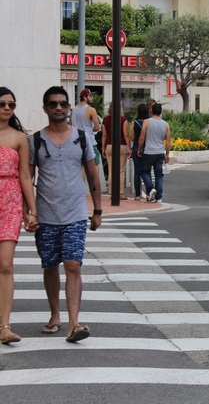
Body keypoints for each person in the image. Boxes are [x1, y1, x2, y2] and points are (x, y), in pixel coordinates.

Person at [29, 85, 102, 342]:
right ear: (45, 108)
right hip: (46, 215)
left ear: (69, 107)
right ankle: (54, 314)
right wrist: (31, 212)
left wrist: (97, 210)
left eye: (62, 103)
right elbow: (27, 179)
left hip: (75, 214)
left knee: (73, 265)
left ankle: (73, 323)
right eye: (53, 104)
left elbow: (93, 174)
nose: (58, 108)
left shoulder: (81, 138)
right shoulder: (35, 140)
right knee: (50, 266)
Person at [0, 87, 38, 345]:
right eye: (2, 103)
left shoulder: (19, 137)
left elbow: (25, 175)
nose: (6, 108)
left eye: (11, 105)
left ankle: (4, 326)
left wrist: (31, 210)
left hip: (10, 200)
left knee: (5, 265)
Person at [138, 103, 171, 203]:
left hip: (149, 151)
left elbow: (142, 137)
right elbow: (168, 141)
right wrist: (167, 154)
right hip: (160, 152)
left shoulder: (147, 122)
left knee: (144, 171)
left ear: (151, 111)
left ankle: (150, 188)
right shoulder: (165, 124)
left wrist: (139, 148)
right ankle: (159, 196)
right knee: (158, 175)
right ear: (161, 112)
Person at [101, 101, 130, 200]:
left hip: (109, 145)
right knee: (121, 170)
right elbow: (126, 135)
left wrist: (103, 148)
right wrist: (129, 147)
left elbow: (104, 135)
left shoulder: (105, 119)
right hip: (121, 145)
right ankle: (120, 192)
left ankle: (112, 192)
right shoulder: (123, 120)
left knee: (111, 169)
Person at [70, 89, 101, 169]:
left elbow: (70, 124)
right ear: (84, 97)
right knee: (94, 165)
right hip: (89, 141)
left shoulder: (74, 110)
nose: (92, 98)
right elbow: (97, 127)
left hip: (76, 141)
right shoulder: (91, 110)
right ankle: (94, 182)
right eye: (90, 96)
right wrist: (90, 129)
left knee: (81, 167)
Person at [130, 103, 150, 201]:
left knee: (137, 172)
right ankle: (148, 193)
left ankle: (137, 195)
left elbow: (132, 137)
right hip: (147, 148)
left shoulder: (134, 123)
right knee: (147, 171)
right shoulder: (149, 122)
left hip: (136, 147)